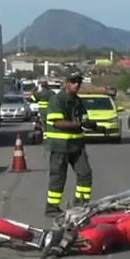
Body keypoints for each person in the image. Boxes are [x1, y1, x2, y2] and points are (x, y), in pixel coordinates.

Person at [44, 72, 98, 216]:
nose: (77, 85)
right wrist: (77, 124)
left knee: (85, 173)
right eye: (74, 82)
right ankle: (51, 208)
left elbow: (85, 119)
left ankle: (81, 203)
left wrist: (92, 125)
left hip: (76, 145)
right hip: (60, 145)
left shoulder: (78, 101)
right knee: (58, 177)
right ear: (67, 82)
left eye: (79, 82)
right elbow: (57, 122)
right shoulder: (57, 100)